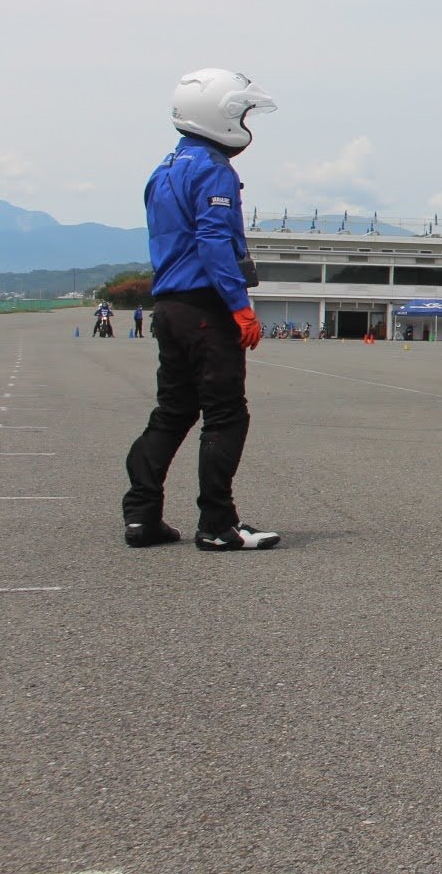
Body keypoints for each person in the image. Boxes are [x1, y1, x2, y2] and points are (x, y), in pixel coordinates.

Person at [121, 68, 282, 551]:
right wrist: (240, 306)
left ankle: (141, 516)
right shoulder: (213, 169)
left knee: (172, 412)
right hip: (204, 308)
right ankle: (218, 524)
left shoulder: (164, 169)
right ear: (223, 115)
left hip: (168, 306)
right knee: (226, 414)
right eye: (244, 112)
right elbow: (213, 241)